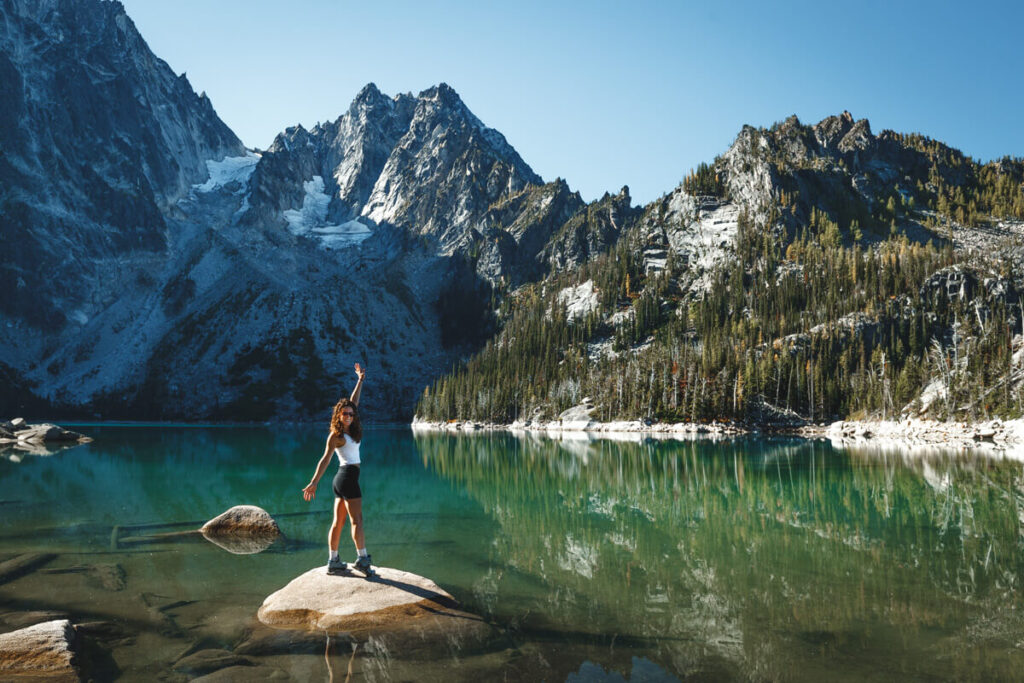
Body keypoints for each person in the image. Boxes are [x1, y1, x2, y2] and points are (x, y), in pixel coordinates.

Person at [302, 363, 373, 575]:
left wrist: (360, 380)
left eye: (351, 413)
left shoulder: (351, 428)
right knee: (357, 520)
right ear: (339, 415)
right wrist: (314, 482)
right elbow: (325, 459)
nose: (349, 416)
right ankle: (362, 558)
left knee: (339, 521)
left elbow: (355, 400)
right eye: (345, 414)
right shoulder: (336, 435)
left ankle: (333, 561)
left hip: (343, 480)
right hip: (347, 478)